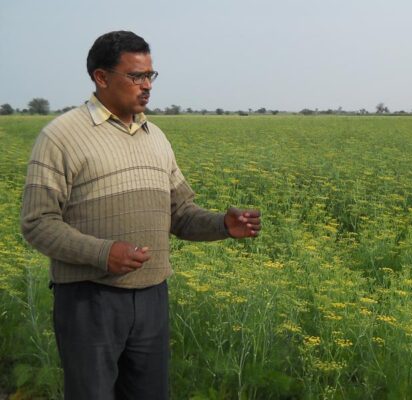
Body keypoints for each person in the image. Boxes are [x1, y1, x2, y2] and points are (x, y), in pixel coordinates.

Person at [20, 30, 261, 399]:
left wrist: (221, 225)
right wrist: (103, 253)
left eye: (150, 75)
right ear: (101, 78)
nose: (146, 86)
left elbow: (179, 212)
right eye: (136, 76)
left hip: (151, 297)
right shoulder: (61, 137)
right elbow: (37, 224)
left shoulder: (156, 137)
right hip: (89, 299)